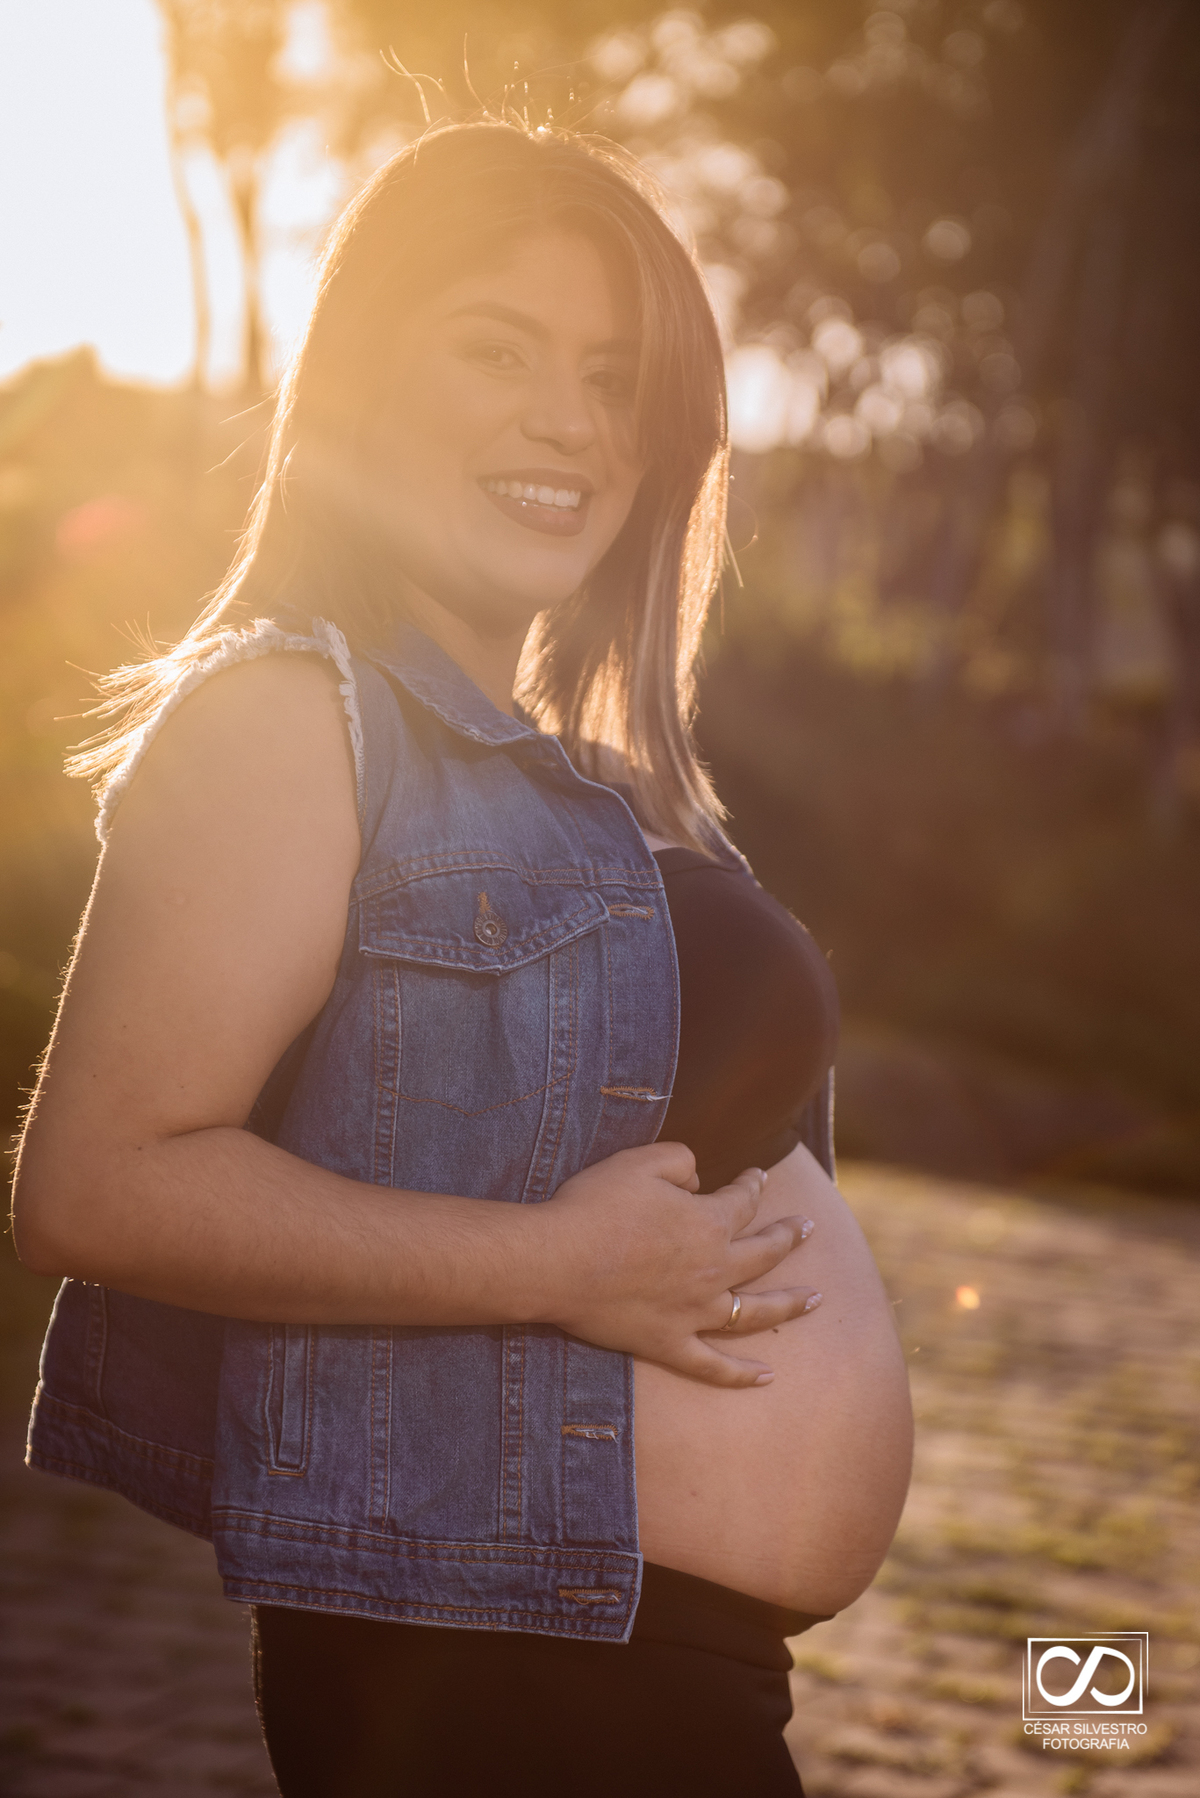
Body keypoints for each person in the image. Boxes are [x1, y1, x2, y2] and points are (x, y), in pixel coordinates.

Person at [12, 121, 913, 1796]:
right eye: (496, 349)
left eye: (612, 373)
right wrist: (555, 1269)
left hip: (642, 1659)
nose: (569, 417)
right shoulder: (295, 718)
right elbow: (98, 1183)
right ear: (358, 380)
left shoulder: (563, 766)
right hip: (489, 1661)